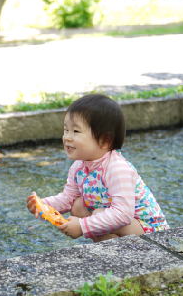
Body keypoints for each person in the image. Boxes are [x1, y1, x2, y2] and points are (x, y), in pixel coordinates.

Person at [26, 94, 169, 243]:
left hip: (149, 231)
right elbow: (68, 199)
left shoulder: (117, 168)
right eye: (66, 130)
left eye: (76, 131)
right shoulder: (78, 168)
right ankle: (111, 252)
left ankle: (117, 254)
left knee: (99, 213)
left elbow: (123, 214)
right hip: (123, 226)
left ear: (105, 140)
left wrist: (82, 226)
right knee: (77, 206)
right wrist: (43, 206)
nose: (67, 137)